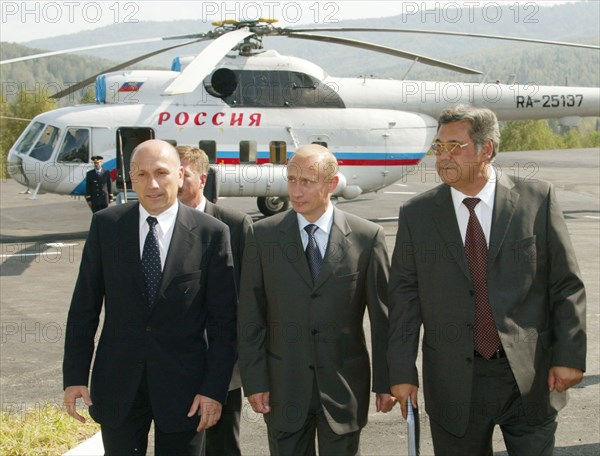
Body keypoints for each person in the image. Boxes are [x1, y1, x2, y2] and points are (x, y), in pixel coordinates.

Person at [387, 105, 586, 455]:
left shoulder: (537, 200)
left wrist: (569, 355)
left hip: (529, 377)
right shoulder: (416, 215)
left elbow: (565, 285)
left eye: (455, 146)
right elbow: (405, 297)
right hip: (452, 381)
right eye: (438, 146)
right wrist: (402, 371)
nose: (443, 157)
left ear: (487, 149)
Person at [63, 139, 238, 455]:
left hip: (186, 391)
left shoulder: (211, 233)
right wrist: (75, 377)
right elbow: (83, 308)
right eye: (142, 175)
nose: (152, 184)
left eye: (161, 172)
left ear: (181, 173)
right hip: (118, 384)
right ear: (131, 178)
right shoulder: (106, 225)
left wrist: (214, 389)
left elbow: (224, 323)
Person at [238, 144, 395, 455]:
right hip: (283, 388)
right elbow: (250, 316)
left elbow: (383, 317)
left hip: (343, 386)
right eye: (291, 179)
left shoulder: (367, 237)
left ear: (332, 184)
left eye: (307, 181)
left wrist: (386, 381)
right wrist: (254, 382)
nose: (296, 191)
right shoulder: (262, 236)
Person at [177, 145, 252, 456]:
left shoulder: (235, 224)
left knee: (221, 446)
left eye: (185, 174)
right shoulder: (161, 226)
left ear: (203, 178)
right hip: (174, 363)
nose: (177, 182)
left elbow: (249, 297)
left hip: (222, 363)